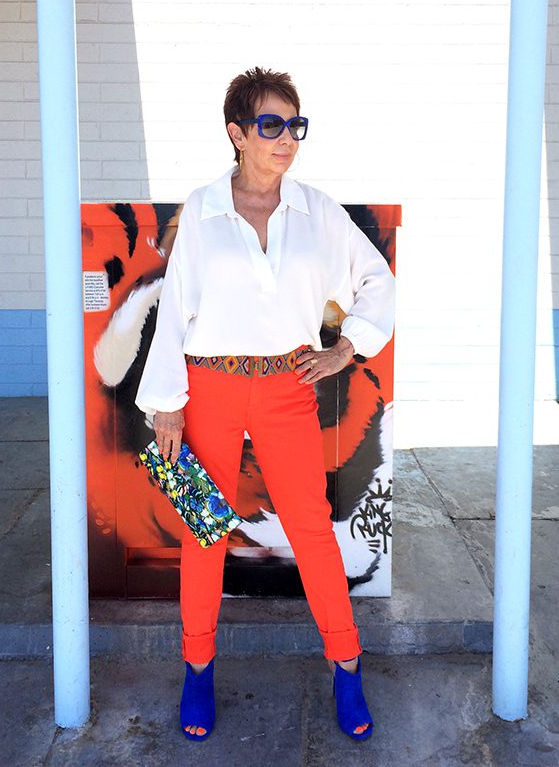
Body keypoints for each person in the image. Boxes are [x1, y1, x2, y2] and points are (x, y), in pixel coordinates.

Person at [135, 66, 395, 742]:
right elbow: (174, 312)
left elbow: (375, 279)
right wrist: (166, 402)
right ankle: (197, 670)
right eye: (271, 125)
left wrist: (347, 348)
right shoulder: (202, 209)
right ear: (237, 133)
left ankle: (346, 664)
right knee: (204, 532)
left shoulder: (317, 212)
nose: (287, 139)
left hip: (286, 387)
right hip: (209, 386)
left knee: (311, 531)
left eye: (295, 126)